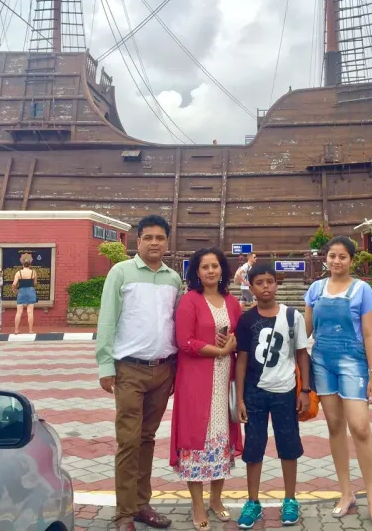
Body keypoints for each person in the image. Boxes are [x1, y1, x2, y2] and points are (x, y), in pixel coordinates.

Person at [96, 215, 183, 531]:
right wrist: (106, 365)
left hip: (163, 371)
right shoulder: (121, 273)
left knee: (147, 439)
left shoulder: (174, 279)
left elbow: (176, 324)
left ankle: (142, 504)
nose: (155, 243)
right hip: (129, 370)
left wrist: (176, 369)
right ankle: (123, 513)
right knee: (129, 441)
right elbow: (107, 320)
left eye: (160, 237)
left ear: (167, 241)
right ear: (138, 241)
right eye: (148, 237)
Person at [304, 236, 372, 529]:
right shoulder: (315, 290)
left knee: (361, 427)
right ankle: (346, 493)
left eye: (342, 256)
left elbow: (369, 335)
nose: (336, 261)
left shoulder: (362, 290)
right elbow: (306, 331)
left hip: (353, 363)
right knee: (335, 427)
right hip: (322, 363)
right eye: (332, 256)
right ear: (325, 259)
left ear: (352, 260)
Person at [171, 247, 243, 531]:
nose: (211, 271)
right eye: (205, 267)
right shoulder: (190, 301)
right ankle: (197, 505)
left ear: (222, 270)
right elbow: (184, 341)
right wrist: (219, 350)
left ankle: (216, 499)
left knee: (221, 436)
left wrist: (231, 346)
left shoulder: (232, 302)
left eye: (215, 266)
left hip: (225, 379)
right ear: (196, 272)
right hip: (196, 381)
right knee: (195, 440)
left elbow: (237, 336)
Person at [235, 262, 311, 528]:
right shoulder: (246, 320)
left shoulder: (293, 316)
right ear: (251, 287)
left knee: (288, 445)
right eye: (259, 282)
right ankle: (252, 501)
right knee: (254, 447)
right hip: (255, 392)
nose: (265, 287)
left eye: (270, 281)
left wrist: (304, 391)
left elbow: (302, 354)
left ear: (276, 283)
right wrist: (240, 398)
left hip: (285, 391)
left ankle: (290, 499)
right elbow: (241, 360)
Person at [12, 253, 38, 334]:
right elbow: (35, 283)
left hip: (21, 291)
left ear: (22, 264)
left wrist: (14, 289)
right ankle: (30, 330)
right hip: (30, 291)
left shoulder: (18, 273)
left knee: (19, 312)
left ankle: (16, 330)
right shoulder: (33, 272)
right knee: (30, 312)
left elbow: (14, 284)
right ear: (30, 264)